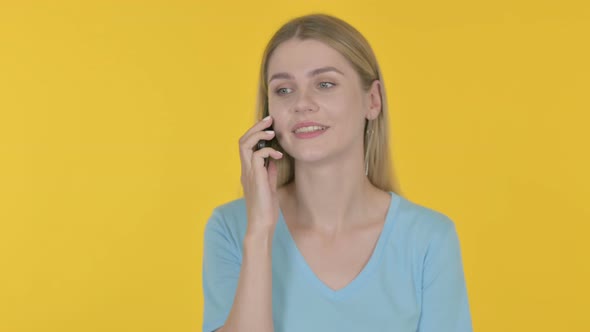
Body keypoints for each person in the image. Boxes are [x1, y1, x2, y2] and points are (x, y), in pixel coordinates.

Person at [202, 13, 473, 332]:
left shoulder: (429, 239)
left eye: (325, 84)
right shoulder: (232, 228)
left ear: (372, 101)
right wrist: (260, 231)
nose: (302, 104)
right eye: (284, 90)